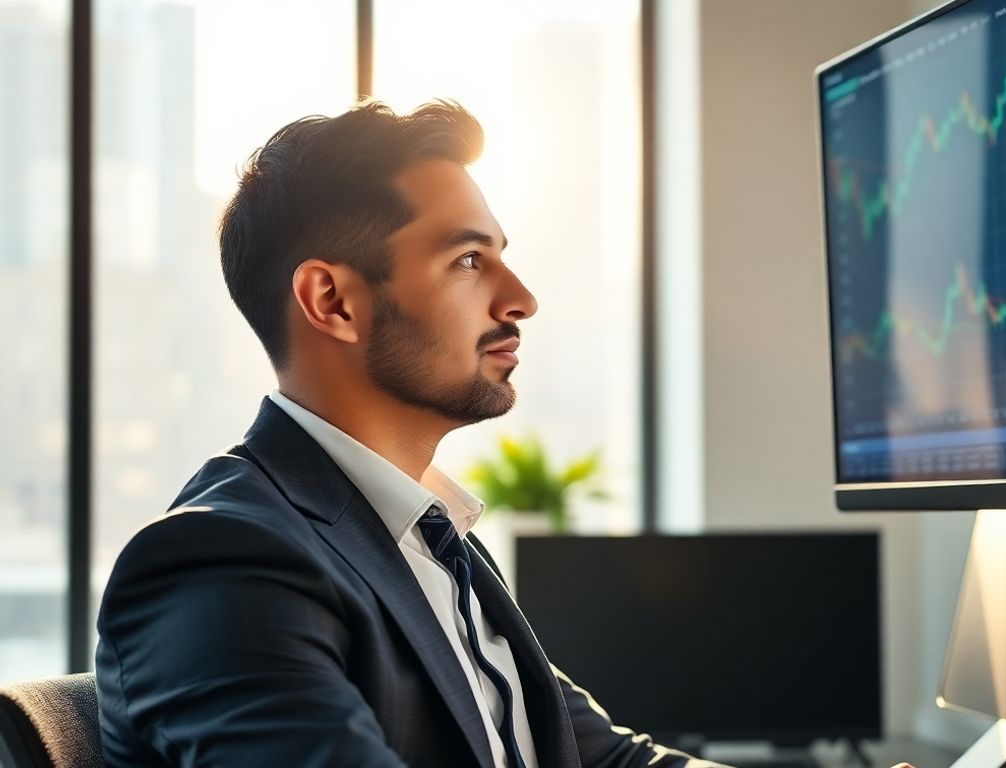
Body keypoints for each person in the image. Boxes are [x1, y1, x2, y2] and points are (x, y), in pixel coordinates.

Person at [93, 99, 715, 768]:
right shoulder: (221, 560)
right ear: (332, 301)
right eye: (469, 261)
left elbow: (606, 761)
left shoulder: (433, 544)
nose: (521, 299)